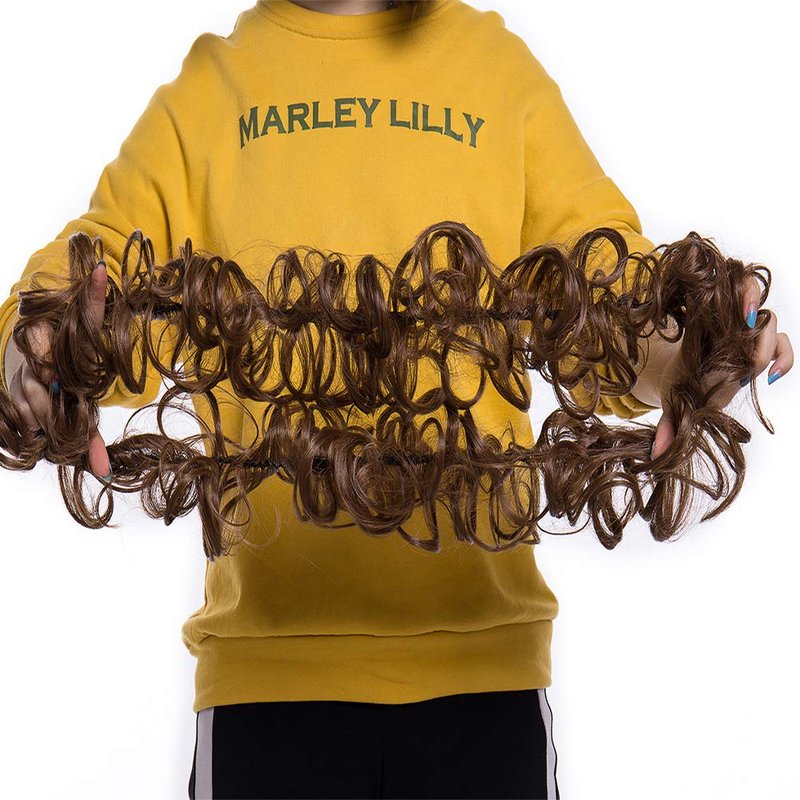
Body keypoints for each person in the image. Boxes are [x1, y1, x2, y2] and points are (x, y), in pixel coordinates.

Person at [0, 1, 792, 798]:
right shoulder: (211, 91)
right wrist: (33, 352)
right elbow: (90, 279)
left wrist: (700, 353)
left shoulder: (496, 71)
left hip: (485, 677)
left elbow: (609, 307)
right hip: (269, 682)